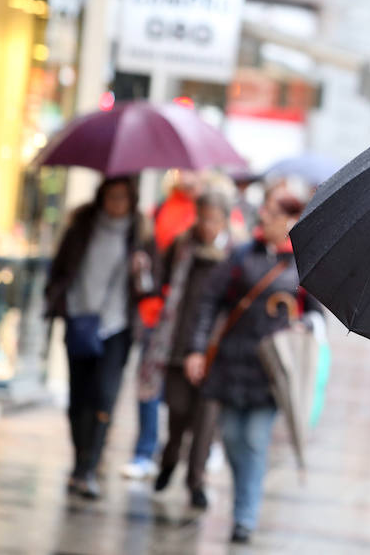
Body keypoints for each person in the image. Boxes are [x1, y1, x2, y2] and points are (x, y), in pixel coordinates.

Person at [186, 182, 320, 544]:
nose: (265, 217)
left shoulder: (305, 265)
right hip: (231, 363)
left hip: (272, 371)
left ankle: (244, 515)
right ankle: (244, 501)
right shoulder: (242, 255)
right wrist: (197, 349)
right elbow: (208, 301)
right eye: (265, 211)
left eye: (274, 213)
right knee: (231, 437)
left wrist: (303, 324)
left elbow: (318, 316)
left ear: (293, 219)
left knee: (255, 440)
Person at [45, 176, 151, 499]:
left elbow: (151, 286)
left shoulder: (141, 235)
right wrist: (58, 299)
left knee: (104, 397)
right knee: (79, 397)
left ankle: (89, 467)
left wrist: (141, 271)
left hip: (117, 327)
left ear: (131, 200)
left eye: (122, 197)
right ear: (101, 196)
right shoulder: (81, 226)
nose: (116, 203)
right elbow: (59, 268)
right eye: (111, 196)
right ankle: (79, 461)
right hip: (80, 320)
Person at [143, 191, 233, 509]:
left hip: (214, 349)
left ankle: (196, 481)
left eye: (212, 219)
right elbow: (160, 280)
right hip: (179, 342)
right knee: (178, 412)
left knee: (206, 419)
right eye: (202, 217)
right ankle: (169, 459)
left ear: (224, 220)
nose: (206, 225)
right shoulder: (182, 246)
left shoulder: (234, 254)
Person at [122, 170, 203, 480]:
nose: (188, 177)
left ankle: (188, 450)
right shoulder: (160, 210)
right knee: (148, 383)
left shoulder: (212, 213)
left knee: (184, 392)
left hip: (190, 321)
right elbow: (152, 258)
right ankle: (145, 450)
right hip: (157, 314)